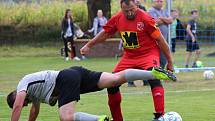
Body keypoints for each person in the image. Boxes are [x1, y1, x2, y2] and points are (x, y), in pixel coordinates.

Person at [80, 0, 174, 120]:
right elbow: (105, 33)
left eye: (132, 10)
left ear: (137, 5)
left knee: (154, 76)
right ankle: (117, 119)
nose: (129, 13)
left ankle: (160, 116)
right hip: (129, 57)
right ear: (121, 7)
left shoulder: (146, 18)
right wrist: (89, 44)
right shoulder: (118, 18)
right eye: (126, 11)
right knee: (111, 83)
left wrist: (170, 61)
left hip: (148, 54)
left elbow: (160, 40)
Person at [7, 66, 176, 121]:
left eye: (23, 100)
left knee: (66, 117)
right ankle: (152, 73)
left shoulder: (23, 84)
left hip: (66, 78)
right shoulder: (32, 94)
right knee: (116, 79)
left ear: (17, 94)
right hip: (76, 74)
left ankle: (99, 120)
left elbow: (17, 106)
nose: (26, 102)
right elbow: (34, 111)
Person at [148, 0, 173, 69]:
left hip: (164, 39)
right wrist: (166, 20)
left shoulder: (164, 11)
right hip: (155, 40)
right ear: (153, 2)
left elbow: (170, 20)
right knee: (154, 59)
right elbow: (154, 22)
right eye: (157, 1)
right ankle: (151, 76)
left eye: (161, 1)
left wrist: (161, 18)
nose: (159, 3)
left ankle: (159, 75)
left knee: (163, 58)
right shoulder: (151, 11)